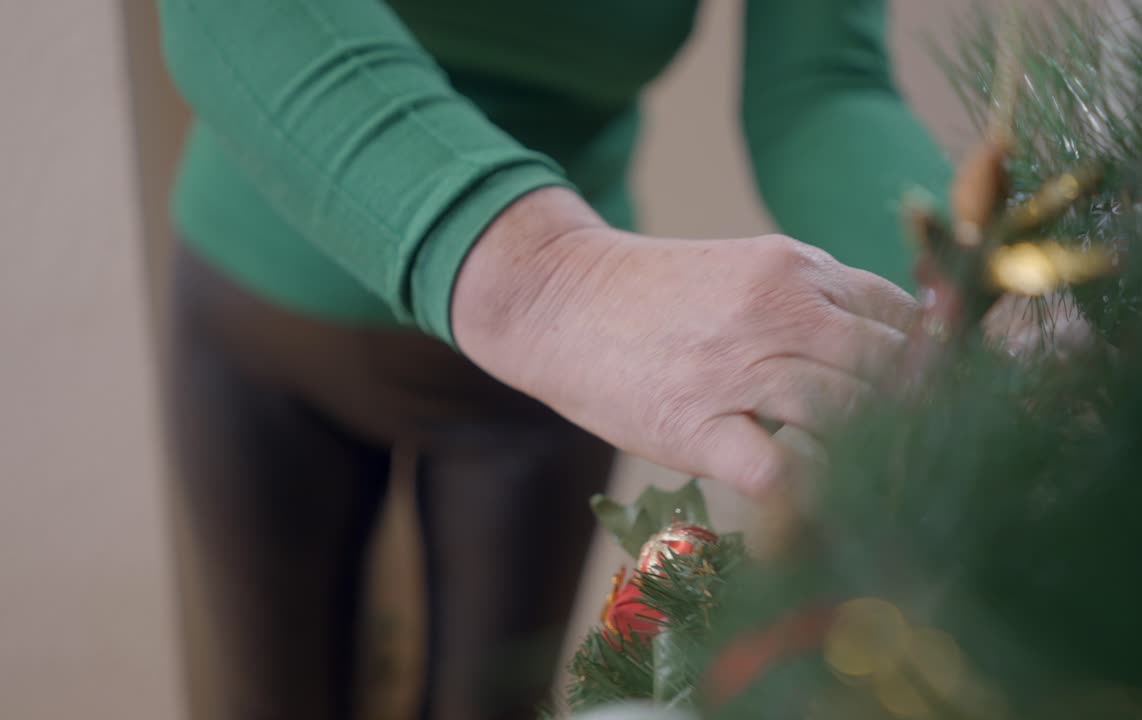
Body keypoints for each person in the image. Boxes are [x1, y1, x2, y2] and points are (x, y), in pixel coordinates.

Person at [157, 1, 950, 718]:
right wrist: (546, 276)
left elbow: (822, 85)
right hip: (261, 311)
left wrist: (982, 279)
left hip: (543, 388)